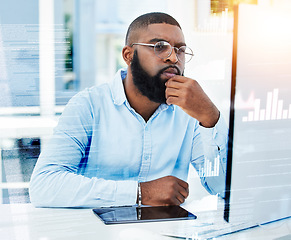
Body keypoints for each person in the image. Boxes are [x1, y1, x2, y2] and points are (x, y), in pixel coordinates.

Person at [29, 12, 228, 208]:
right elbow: (44, 185)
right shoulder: (88, 106)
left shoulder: (189, 113)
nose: (173, 58)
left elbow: (221, 187)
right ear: (128, 55)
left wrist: (211, 118)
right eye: (160, 47)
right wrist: (140, 193)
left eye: (180, 50)